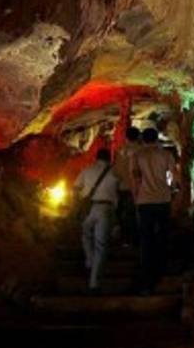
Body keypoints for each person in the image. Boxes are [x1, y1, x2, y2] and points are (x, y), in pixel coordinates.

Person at [130, 126, 180, 294]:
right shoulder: (166, 155)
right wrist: (172, 189)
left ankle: (147, 274)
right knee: (162, 235)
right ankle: (161, 269)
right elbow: (173, 175)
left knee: (146, 238)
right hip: (162, 199)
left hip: (144, 200)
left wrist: (136, 197)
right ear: (157, 139)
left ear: (143, 139)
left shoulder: (137, 155)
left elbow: (136, 178)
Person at [74, 147, 119, 293]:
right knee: (100, 244)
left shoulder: (87, 170)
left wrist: (79, 198)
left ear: (96, 157)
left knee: (86, 232)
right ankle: (94, 281)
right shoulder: (114, 172)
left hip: (90, 207)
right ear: (109, 158)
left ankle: (89, 259)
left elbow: (75, 187)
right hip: (106, 208)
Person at [113, 125, 140, 246]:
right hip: (138, 188)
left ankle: (125, 239)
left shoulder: (120, 151)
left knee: (123, 214)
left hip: (122, 187)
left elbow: (116, 171)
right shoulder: (141, 151)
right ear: (138, 136)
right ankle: (135, 239)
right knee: (135, 214)